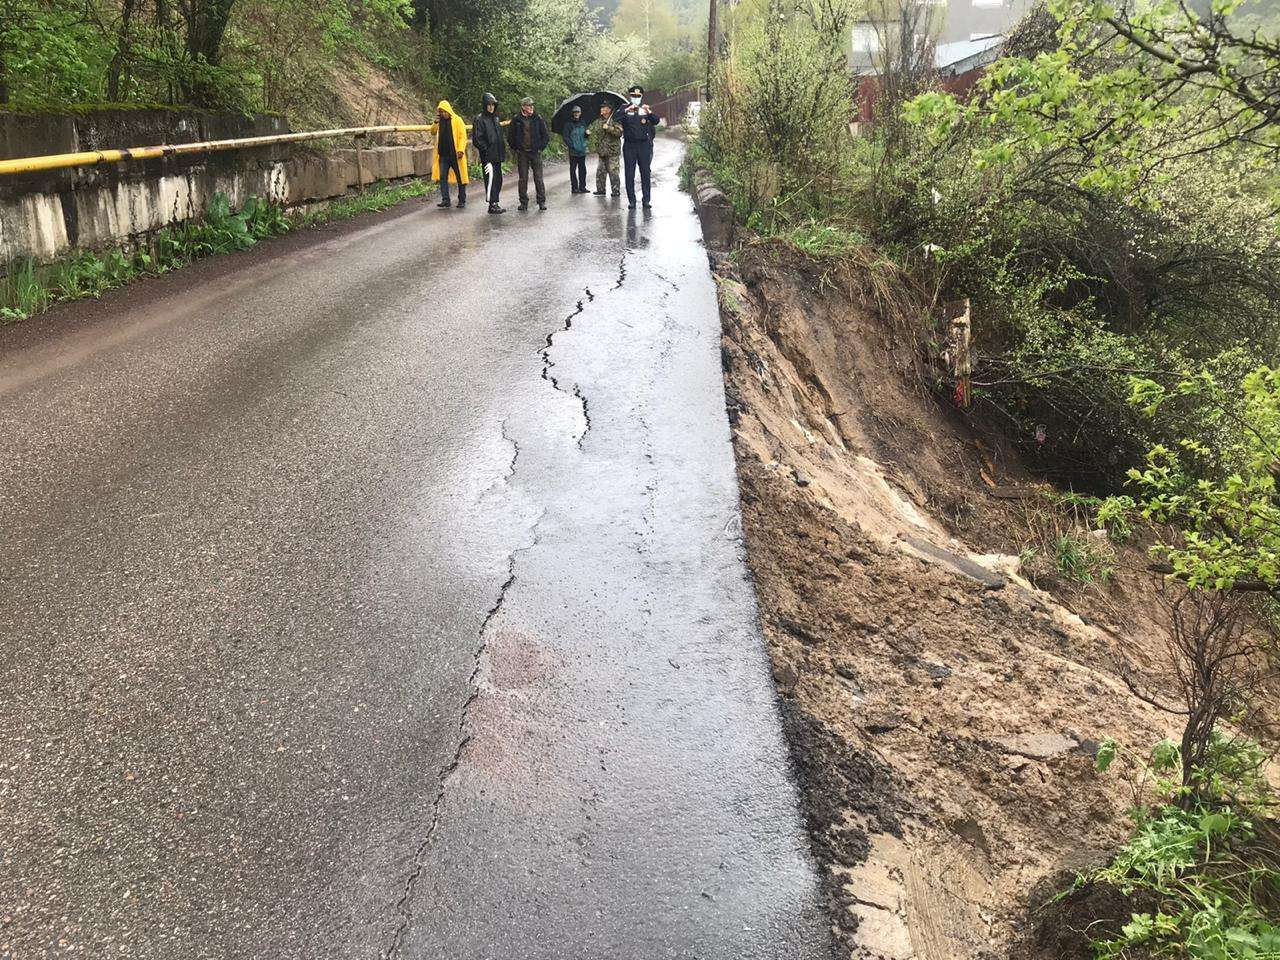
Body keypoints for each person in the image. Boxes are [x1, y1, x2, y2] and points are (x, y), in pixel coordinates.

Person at [618, 84, 661, 209]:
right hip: (629, 146)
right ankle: (632, 200)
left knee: (645, 173)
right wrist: (627, 110)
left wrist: (649, 112)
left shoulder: (644, 109)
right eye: (634, 96)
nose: (636, 98)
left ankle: (646, 200)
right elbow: (616, 118)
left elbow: (656, 121)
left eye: (638, 96)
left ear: (641, 96)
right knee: (629, 174)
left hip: (643, 145)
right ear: (630, 96)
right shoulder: (624, 108)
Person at [506, 97, 549, 211]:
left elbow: (545, 135)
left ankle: (541, 202)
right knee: (523, 179)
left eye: (532, 105)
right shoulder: (516, 119)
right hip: (522, 153)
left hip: (535, 153)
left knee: (538, 178)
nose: (531, 107)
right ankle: (523, 203)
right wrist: (516, 148)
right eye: (529, 105)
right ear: (523, 107)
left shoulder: (538, 118)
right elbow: (510, 136)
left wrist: (540, 148)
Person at [472, 92, 506, 214]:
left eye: (493, 104)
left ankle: (495, 202)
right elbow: (477, 139)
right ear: (485, 105)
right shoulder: (479, 119)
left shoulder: (495, 119)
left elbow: (499, 137)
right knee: (491, 180)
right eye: (489, 104)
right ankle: (492, 204)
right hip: (488, 157)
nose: (491, 107)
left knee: (498, 179)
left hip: (497, 155)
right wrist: (486, 150)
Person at [432, 99, 469, 209]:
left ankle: (462, 199)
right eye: (441, 112)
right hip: (443, 155)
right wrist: (436, 122)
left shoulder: (458, 120)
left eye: (445, 111)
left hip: (456, 155)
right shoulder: (439, 122)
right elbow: (432, 132)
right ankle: (445, 200)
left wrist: (461, 150)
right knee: (443, 177)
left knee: (460, 177)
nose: (443, 114)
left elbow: (463, 136)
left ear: (449, 110)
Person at [591, 101, 622, 197]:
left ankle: (615, 190)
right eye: (601, 108)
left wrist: (608, 128)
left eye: (603, 107)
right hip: (602, 151)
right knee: (600, 171)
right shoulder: (599, 121)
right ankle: (600, 190)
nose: (601, 109)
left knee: (613, 172)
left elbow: (619, 133)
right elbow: (594, 132)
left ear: (608, 110)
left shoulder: (615, 119)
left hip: (612, 151)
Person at [561, 104, 589, 193]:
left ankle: (582, 187)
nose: (576, 113)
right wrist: (572, 146)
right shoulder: (568, 124)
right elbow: (565, 137)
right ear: (572, 113)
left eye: (578, 112)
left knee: (583, 170)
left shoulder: (583, 122)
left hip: (582, 151)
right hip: (573, 152)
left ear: (580, 113)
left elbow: (585, 137)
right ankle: (574, 188)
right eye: (575, 112)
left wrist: (587, 134)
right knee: (573, 170)